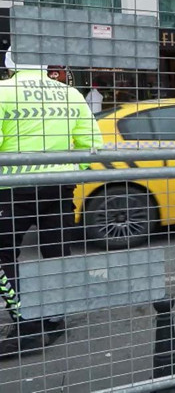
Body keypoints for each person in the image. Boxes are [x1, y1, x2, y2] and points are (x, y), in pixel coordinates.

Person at [0, 47, 103, 358]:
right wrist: (70, 172)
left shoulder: (3, 91)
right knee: (56, 252)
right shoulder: (70, 94)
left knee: (4, 254)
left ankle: (26, 323)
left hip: (11, 189)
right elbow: (94, 146)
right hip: (59, 188)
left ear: (10, 65)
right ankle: (55, 317)